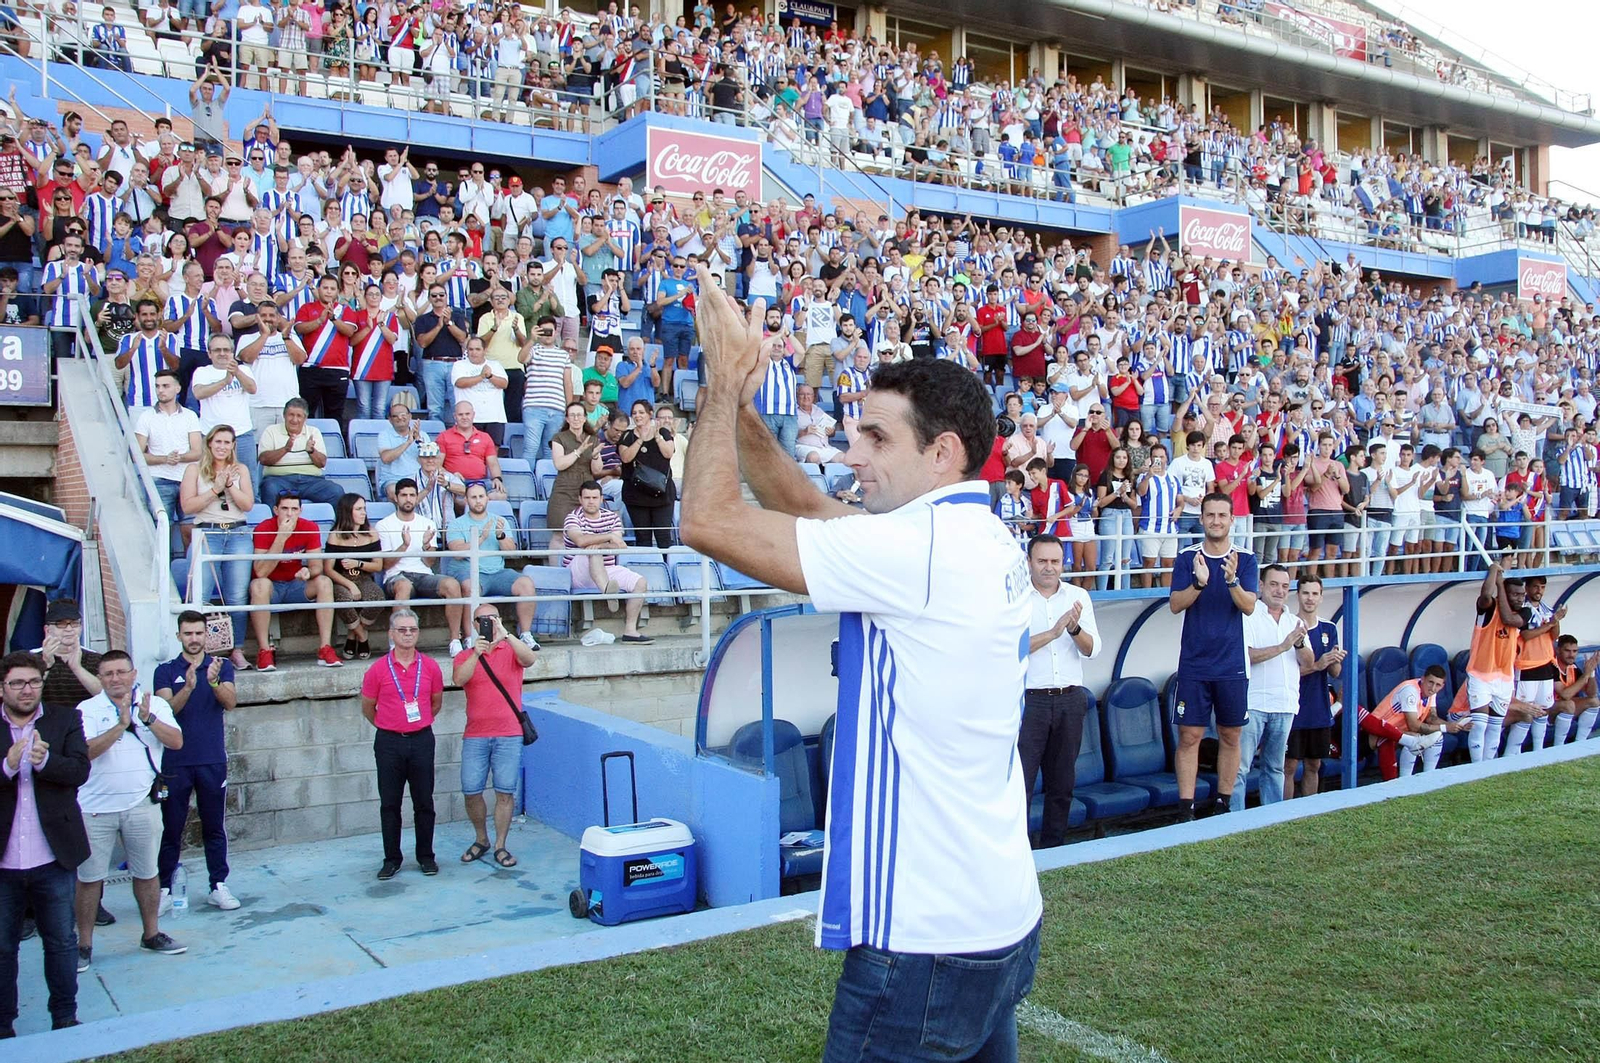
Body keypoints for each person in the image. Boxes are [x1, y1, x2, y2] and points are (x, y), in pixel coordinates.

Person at [678, 269, 1040, 1063]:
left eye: (876, 437)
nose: (851, 450)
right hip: (999, 914)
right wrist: (742, 408)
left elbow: (706, 518)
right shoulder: (976, 532)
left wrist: (716, 381)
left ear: (941, 453)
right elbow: (812, 511)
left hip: (924, 938)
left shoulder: (914, 550)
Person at [74, 652, 186, 972]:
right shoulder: (87, 709)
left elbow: (176, 741)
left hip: (141, 803)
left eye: (121, 672)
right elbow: (85, 752)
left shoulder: (155, 705)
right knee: (90, 879)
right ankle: (83, 945)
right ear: (100, 677)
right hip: (95, 809)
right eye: (108, 674)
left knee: (147, 872)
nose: (115, 679)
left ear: (133, 673)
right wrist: (122, 725)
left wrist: (147, 719)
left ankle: (151, 934)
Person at [0, 651, 90, 1036]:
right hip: (3, 864)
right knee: (3, 950)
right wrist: (8, 765)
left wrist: (42, 764)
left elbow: (80, 771)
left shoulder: (65, 718)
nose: (27, 690)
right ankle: (4, 1025)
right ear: (2, 687)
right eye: (18, 683)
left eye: (34, 682)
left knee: (61, 944)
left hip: (52, 857)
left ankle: (65, 1018)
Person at [1169, 493, 1259, 820]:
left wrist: (1231, 580)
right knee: (1190, 736)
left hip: (1232, 665)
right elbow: (1176, 603)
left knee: (1231, 735)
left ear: (1232, 519)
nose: (1216, 521)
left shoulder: (1245, 559)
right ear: (1202, 518)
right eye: (1210, 515)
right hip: (1194, 664)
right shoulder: (1187, 557)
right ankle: (1185, 809)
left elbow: (1248, 605)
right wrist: (1199, 582)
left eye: (1222, 515)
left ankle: (1223, 805)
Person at [152, 611, 239, 914]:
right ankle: (164, 888)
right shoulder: (165, 671)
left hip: (212, 760)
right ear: (179, 636)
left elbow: (230, 702)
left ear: (206, 635)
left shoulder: (221, 667)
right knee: (171, 828)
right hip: (175, 762)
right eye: (188, 634)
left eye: (199, 633)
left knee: (214, 827)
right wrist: (188, 687)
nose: (194, 639)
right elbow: (166, 711)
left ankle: (218, 885)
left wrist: (213, 682)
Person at [1021, 533, 1100, 849]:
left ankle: (1054, 848)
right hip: (1030, 702)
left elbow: (1093, 649)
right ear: (1029, 562)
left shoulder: (1078, 596)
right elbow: (1011, 648)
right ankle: (1019, 854)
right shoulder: (1015, 598)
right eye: (1042, 561)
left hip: (1070, 699)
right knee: (1021, 785)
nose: (1049, 568)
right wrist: (1054, 632)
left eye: (1055, 561)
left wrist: (1074, 629)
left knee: (1062, 783)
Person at [360, 608, 445, 880]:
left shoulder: (430, 666)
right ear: (391, 634)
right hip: (389, 742)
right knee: (390, 804)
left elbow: (435, 703)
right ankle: (391, 859)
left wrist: (413, 725)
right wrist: (390, 725)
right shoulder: (377, 669)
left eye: (412, 630)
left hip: (421, 739)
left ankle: (426, 856)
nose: (408, 634)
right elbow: (368, 707)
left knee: (424, 801)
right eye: (402, 630)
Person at [452, 604, 537, 869]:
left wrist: (506, 635)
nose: (487, 623)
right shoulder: (465, 655)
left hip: (508, 733)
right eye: (482, 620)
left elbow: (530, 659)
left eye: (492, 618)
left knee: (505, 792)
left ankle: (500, 844)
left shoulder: (511, 650)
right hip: (476, 735)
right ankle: (482, 838)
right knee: (471, 790)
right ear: (475, 625)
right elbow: (458, 679)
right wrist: (476, 654)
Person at [1232, 565, 1312, 811]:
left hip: (1284, 704)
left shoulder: (1294, 620)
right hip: (1254, 703)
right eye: (1274, 584)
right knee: (1240, 768)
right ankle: (1234, 819)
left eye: (1285, 586)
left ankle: (1271, 818)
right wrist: (1283, 645)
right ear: (1261, 585)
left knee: (1275, 767)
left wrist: (1298, 646)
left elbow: (1308, 663)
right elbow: (1246, 656)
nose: (1279, 591)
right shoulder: (1248, 616)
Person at [179, 424, 256, 670]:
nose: (222, 446)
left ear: (233, 445)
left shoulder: (240, 469)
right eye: (218, 442)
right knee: (201, 595)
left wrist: (231, 485)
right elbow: (188, 507)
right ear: (209, 444)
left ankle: (237, 649)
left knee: (237, 596)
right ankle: (198, 652)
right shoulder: (194, 470)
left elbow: (248, 505)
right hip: (207, 532)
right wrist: (215, 489)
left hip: (238, 532)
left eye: (227, 442)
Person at [247, 491, 341, 671]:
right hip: (271, 587)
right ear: (276, 510)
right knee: (259, 585)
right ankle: (264, 651)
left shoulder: (309, 527)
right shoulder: (263, 528)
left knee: (324, 582)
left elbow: (317, 566)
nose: (289, 514)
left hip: (295, 585)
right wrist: (281, 537)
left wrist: (308, 571)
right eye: (284, 509)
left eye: (294, 509)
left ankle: (325, 648)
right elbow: (260, 572)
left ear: (300, 510)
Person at [377, 477, 468, 656]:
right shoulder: (384, 524)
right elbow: (385, 565)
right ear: (396, 498)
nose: (408, 499)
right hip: (397, 575)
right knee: (403, 586)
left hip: (422, 574)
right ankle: (397, 645)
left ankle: (454, 641)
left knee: (452, 585)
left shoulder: (426, 523)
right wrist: (404, 546)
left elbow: (429, 563)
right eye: (404, 495)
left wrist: (426, 546)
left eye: (412, 495)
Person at [445, 483, 540, 648]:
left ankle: (526, 634)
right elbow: (457, 552)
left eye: (481, 497)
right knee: (469, 587)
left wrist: (500, 536)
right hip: (469, 571)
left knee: (526, 584)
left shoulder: (500, 521)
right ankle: (470, 637)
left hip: (497, 572)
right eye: (473, 497)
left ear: (487, 498)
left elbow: (511, 552)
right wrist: (481, 538)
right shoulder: (456, 524)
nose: (478, 501)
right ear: (467, 500)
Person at [562, 482, 653, 644]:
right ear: (580, 499)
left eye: (595, 497)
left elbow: (620, 545)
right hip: (577, 572)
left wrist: (601, 542)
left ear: (601, 499)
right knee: (592, 552)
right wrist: (608, 537)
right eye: (587, 498)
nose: (591, 501)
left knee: (640, 582)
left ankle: (630, 631)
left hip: (607, 568)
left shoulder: (611, 517)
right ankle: (609, 591)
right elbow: (581, 541)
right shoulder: (573, 518)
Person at [1283, 575, 1344, 799]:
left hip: (1319, 710)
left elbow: (1335, 673)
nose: (1310, 598)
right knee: (1289, 766)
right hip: (1294, 708)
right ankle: (1284, 812)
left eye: (1314, 594)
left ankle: (1308, 810)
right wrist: (1318, 664)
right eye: (1306, 593)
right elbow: (1286, 671)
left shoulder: (1328, 628)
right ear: (1298, 595)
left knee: (1314, 764)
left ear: (1320, 597)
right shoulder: (1289, 625)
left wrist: (1335, 659)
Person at [1461, 562, 1529, 762]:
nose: (1519, 598)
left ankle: (1489, 765)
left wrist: (1500, 583)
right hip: (1480, 673)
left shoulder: (1524, 613)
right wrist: (1493, 573)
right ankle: (1476, 766)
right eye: (1515, 594)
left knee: (1495, 725)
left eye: (1521, 594)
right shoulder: (1489, 608)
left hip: (1504, 678)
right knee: (1480, 724)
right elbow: (1484, 597)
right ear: (1504, 594)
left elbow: (1510, 620)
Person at [135, 369, 203, 558]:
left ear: (178, 388)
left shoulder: (190, 415)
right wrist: (165, 459)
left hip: (187, 480)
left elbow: (198, 451)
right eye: (157, 386)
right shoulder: (146, 417)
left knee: (190, 530)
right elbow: (136, 454)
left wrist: (178, 458)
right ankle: (163, 579)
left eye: (165, 386)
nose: (160, 390)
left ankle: (191, 576)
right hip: (159, 479)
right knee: (161, 530)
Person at [325, 493, 388, 660]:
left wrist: (358, 563)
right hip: (342, 579)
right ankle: (363, 637)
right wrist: (350, 585)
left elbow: (378, 565)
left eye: (364, 509)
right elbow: (329, 570)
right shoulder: (336, 535)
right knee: (343, 599)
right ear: (347, 511)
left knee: (377, 598)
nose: (363, 513)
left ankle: (352, 636)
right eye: (358, 509)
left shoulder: (371, 533)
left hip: (364, 578)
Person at [256, 397, 346, 506]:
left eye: (299, 416)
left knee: (336, 491)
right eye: (291, 415)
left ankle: (338, 524)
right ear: (284, 415)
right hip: (280, 480)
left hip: (311, 482)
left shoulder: (313, 432)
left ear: (305, 418)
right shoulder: (271, 431)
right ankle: (274, 523)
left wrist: (311, 451)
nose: (294, 420)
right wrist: (285, 449)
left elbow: (322, 463)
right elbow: (263, 459)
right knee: (269, 488)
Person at [1362, 667, 1448, 779]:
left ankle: (1429, 777)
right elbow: (1413, 726)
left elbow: (1432, 718)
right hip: (1377, 731)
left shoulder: (1431, 693)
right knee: (1414, 737)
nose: (1432, 688)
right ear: (1423, 679)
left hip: (1398, 732)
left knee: (1437, 736)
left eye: (1438, 685)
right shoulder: (1410, 690)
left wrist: (1453, 725)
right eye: (1430, 682)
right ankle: (1405, 779)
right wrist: (1446, 728)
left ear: (1442, 686)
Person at [619, 398, 676, 550]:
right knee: (642, 538)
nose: (637, 416)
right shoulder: (627, 436)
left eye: (641, 412)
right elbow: (625, 458)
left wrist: (656, 436)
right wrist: (640, 441)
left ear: (650, 414)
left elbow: (668, 453)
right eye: (634, 413)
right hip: (636, 495)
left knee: (663, 537)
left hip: (662, 494)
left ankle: (665, 568)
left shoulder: (663, 432)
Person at [33, 600, 103, 712]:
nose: (69, 629)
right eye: (61, 624)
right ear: (48, 629)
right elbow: (24, 695)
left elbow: (107, 696)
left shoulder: (97, 659)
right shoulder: (29, 658)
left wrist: (77, 668)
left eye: (74, 623)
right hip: (46, 722)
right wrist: (46, 665)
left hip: (87, 722)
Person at [377, 401, 430, 502]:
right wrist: (408, 442)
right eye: (395, 416)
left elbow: (429, 461)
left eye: (403, 415)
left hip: (418, 479)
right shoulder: (384, 435)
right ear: (390, 420)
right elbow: (386, 458)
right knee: (395, 492)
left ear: (410, 416)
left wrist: (418, 440)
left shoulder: (422, 435)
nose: (400, 418)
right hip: (393, 479)